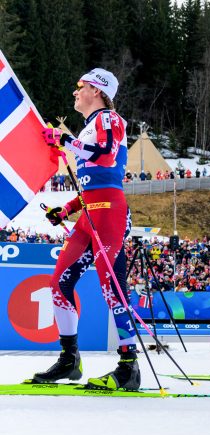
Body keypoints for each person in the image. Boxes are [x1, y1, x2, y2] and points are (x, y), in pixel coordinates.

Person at [37, 68, 141, 391]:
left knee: (112, 288)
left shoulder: (108, 119)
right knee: (58, 283)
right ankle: (70, 359)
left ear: (97, 91)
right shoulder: (86, 131)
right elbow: (89, 188)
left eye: (80, 87)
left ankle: (129, 366)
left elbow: (108, 158)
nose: (75, 93)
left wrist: (66, 141)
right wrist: (65, 210)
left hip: (110, 213)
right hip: (90, 215)